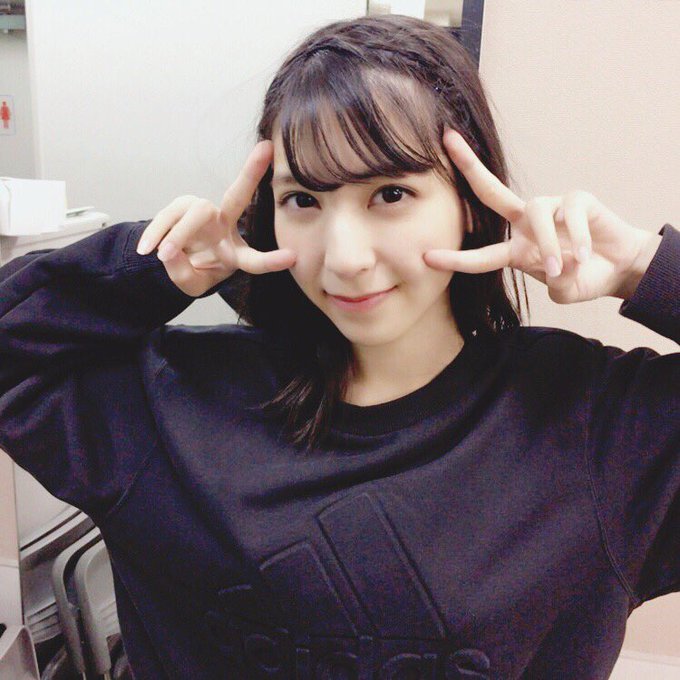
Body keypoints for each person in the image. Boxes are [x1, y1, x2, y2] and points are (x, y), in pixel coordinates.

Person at [0, 13, 677, 680]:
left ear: (470, 203)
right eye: (303, 201)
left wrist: (642, 267)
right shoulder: (173, 404)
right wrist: (148, 267)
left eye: (391, 193)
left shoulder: (591, 425)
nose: (345, 258)